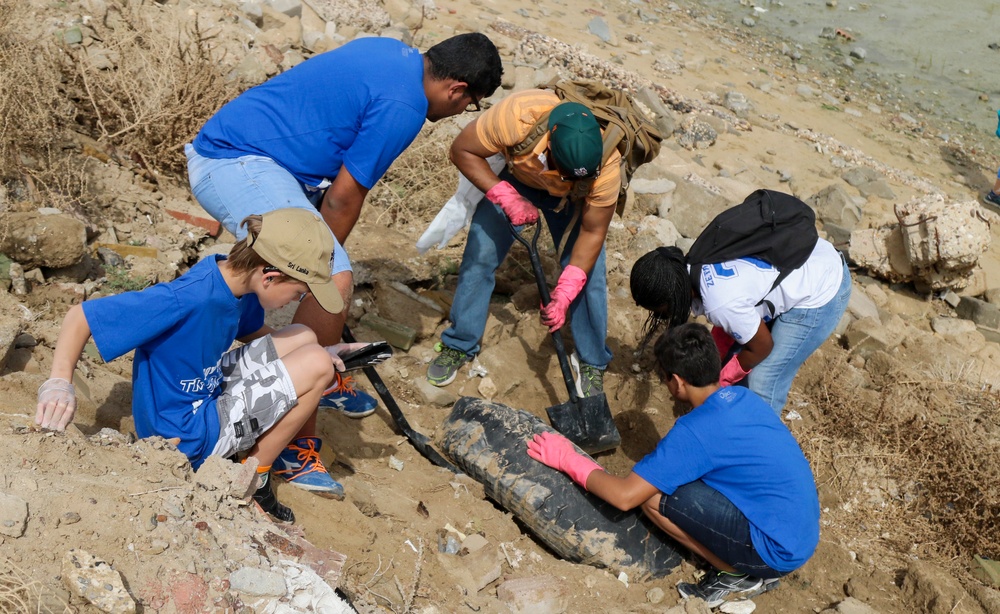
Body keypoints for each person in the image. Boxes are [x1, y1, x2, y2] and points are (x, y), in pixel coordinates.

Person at [186, 33, 502, 494]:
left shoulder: (391, 51)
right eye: (469, 104)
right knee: (333, 274)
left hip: (265, 159)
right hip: (236, 162)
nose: (460, 114)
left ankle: (304, 371)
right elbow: (343, 196)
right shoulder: (405, 105)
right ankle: (293, 442)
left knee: (325, 273)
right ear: (456, 89)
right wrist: (318, 272)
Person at [35, 209, 372, 523]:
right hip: (184, 436)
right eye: (298, 292)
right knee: (315, 365)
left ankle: (310, 363)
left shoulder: (229, 277)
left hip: (205, 392)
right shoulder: (188, 298)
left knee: (304, 337)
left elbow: (250, 330)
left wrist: (323, 349)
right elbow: (80, 316)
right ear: (269, 276)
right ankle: (253, 478)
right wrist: (59, 382)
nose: (295, 301)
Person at [527, 323, 819, 608]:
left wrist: (567, 458)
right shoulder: (743, 397)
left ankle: (736, 575)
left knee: (652, 496)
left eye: (666, 380)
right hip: (798, 532)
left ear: (677, 381)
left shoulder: (695, 432)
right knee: (681, 478)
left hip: (773, 550)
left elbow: (625, 496)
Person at [427, 90, 621, 397]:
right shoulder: (517, 117)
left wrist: (565, 291)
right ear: (551, 141)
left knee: (589, 275)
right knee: (480, 254)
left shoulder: (608, 165)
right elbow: (462, 150)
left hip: (572, 199)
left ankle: (592, 360)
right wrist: (504, 195)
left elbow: (593, 232)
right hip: (518, 179)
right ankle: (460, 343)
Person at [628, 234, 851, 415]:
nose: (662, 317)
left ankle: (756, 450)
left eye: (660, 311)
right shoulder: (698, 262)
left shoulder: (720, 302)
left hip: (823, 288)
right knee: (735, 358)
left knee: (762, 381)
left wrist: (719, 384)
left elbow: (762, 346)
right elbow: (729, 324)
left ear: (673, 295)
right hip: (805, 255)